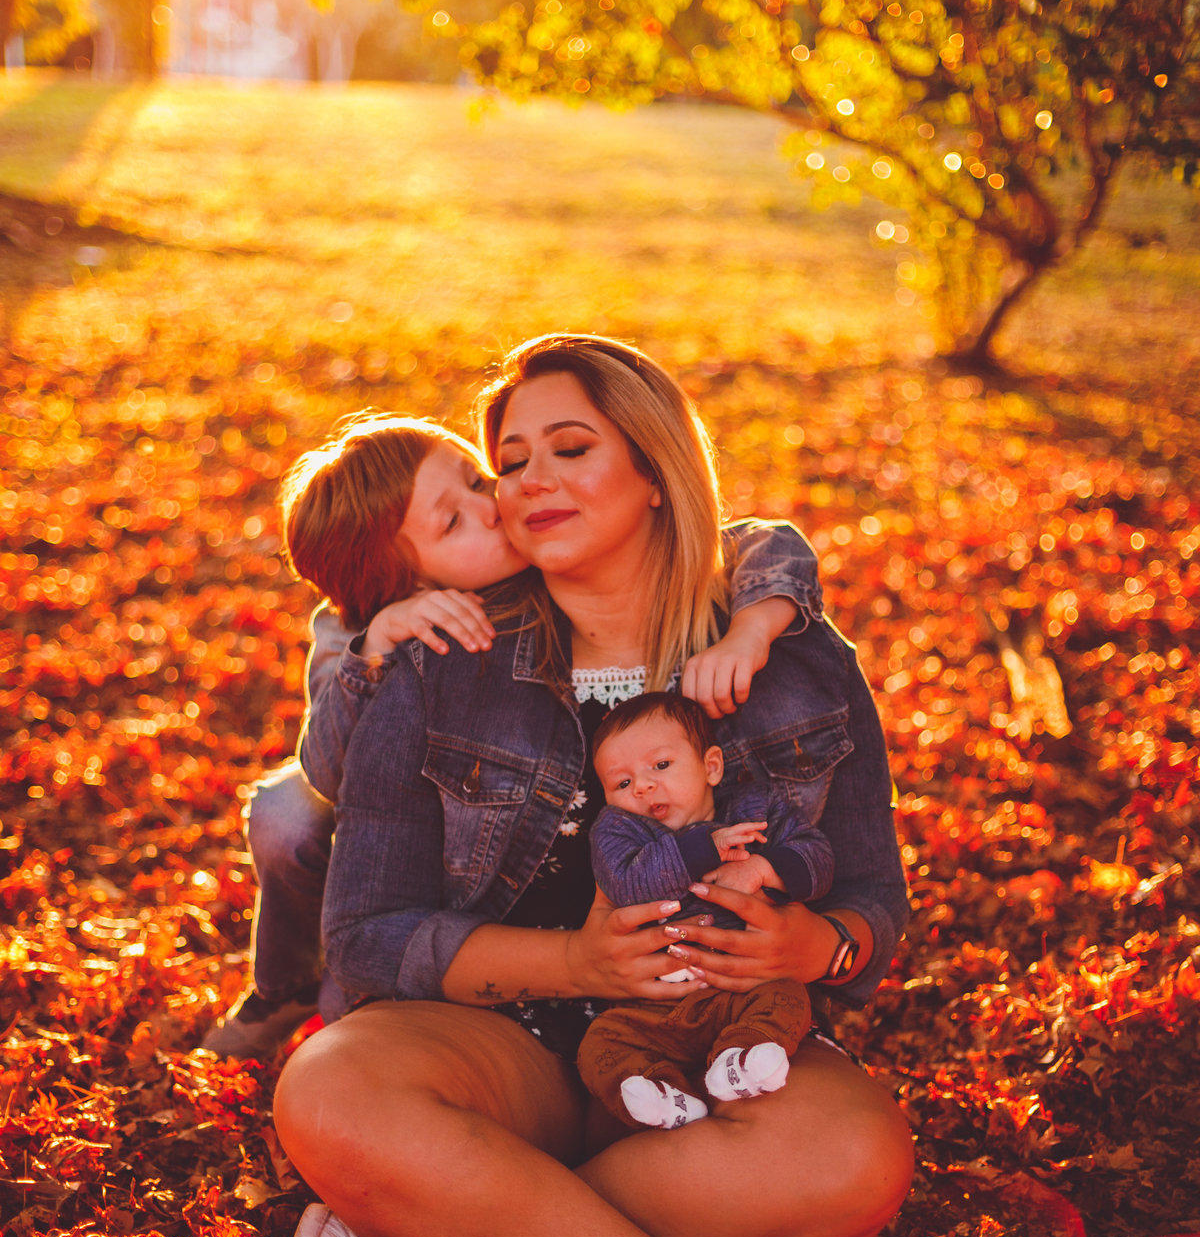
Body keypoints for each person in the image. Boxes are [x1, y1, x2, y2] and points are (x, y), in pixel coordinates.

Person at [272, 335, 912, 1237]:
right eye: (509, 462)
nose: (531, 481)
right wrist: (571, 960)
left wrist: (813, 948)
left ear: (654, 471)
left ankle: (431, 1224)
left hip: (708, 1055)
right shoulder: (443, 652)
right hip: (498, 1047)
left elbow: (873, 908)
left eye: (571, 447)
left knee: (858, 1161)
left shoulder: (794, 662)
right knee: (329, 1092)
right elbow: (366, 935)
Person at [201, 412, 821, 1055]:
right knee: (285, 816)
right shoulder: (360, 630)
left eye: (476, 479)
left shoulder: (545, 552)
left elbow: (763, 541)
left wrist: (752, 629)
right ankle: (285, 983)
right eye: (452, 520)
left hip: (465, 840)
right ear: (412, 580)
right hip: (370, 826)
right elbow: (330, 770)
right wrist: (382, 640)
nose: (488, 507)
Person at [578, 689, 831, 1129]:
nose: (641, 785)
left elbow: (820, 860)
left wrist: (761, 869)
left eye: (660, 765)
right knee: (600, 1043)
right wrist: (701, 850)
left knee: (788, 998)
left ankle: (742, 1058)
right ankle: (661, 1094)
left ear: (711, 766)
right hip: (654, 1006)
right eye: (622, 783)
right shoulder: (618, 832)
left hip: (743, 987)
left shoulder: (757, 810)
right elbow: (626, 884)